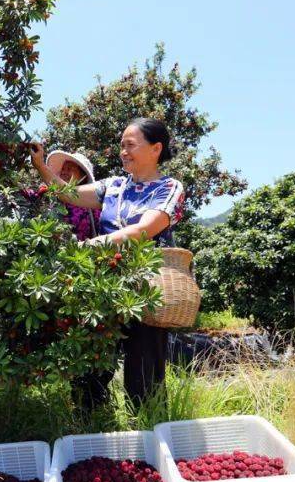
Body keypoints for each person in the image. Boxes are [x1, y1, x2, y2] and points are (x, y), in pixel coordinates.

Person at [29, 118, 186, 410]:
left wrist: (90, 245)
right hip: (103, 287)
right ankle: (91, 426)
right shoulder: (113, 186)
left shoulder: (170, 187)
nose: (123, 152)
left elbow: (141, 231)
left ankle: (149, 435)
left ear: (155, 149)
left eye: (130, 145)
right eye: (121, 146)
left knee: (143, 374)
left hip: (145, 291)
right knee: (92, 369)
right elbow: (69, 192)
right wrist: (41, 166)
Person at [24, 150, 101, 241]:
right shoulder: (49, 194)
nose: (64, 172)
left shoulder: (92, 205)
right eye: (63, 169)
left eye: (69, 169)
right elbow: (30, 195)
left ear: (83, 176)